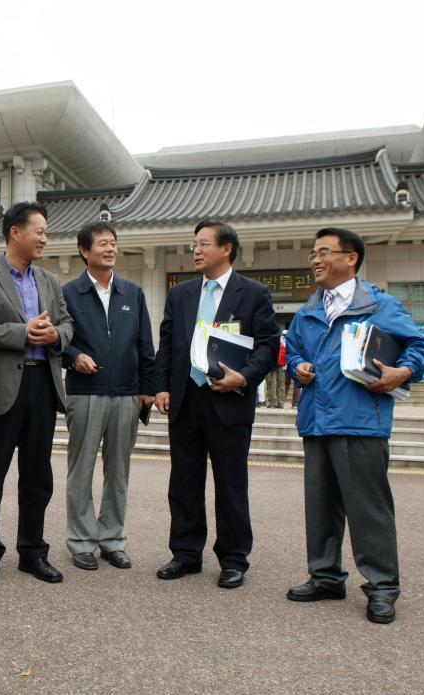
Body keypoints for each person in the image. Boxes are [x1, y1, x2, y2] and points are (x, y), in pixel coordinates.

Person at [284, 227, 424, 625]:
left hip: (361, 421)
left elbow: (420, 347)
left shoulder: (379, 305)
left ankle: (382, 587)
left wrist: (403, 371)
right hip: (316, 421)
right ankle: (326, 576)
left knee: (369, 509)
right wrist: (297, 367)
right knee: (320, 507)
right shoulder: (308, 310)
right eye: (313, 254)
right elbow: (293, 351)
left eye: (324, 252)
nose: (315, 260)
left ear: (351, 259)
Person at [153, 219, 279, 589]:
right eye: (194, 244)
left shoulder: (253, 293)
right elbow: (169, 344)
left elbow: (268, 345)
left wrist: (245, 377)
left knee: (231, 483)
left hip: (229, 400)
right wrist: (162, 386)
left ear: (226, 249)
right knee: (184, 481)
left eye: (204, 243)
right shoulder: (181, 294)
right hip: (186, 400)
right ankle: (186, 553)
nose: (196, 250)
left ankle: (234, 557)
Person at [0, 202, 74, 585]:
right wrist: (23, 333)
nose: (45, 237)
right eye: (40, 231)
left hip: (42, 384)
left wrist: (56, 336)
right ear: (15, 232)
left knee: (37, 475)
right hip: (1, 387)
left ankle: (32, 552)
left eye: (46, 232)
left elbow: (67, 323)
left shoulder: (48, 280)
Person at [61, 221, 156, 571]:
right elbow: (59, 339)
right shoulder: (69, 293)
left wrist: (148, 389)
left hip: (127, 395)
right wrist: (74, 358)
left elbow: (145, 345)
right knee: (81, 470)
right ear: (84, 251)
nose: (109, 248)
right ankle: (82, 541)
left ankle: (113, 539)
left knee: (119, 472)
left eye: (113, 243)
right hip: (85, 394)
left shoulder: (133, 293)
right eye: (101, 243)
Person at [265, 331, 289, 408]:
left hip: (272, 366)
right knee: (281, 383)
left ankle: (272, 402)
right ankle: (281, 403)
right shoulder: (283, 343)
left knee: (272, 383)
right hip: (281, 365)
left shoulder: (270, 342)